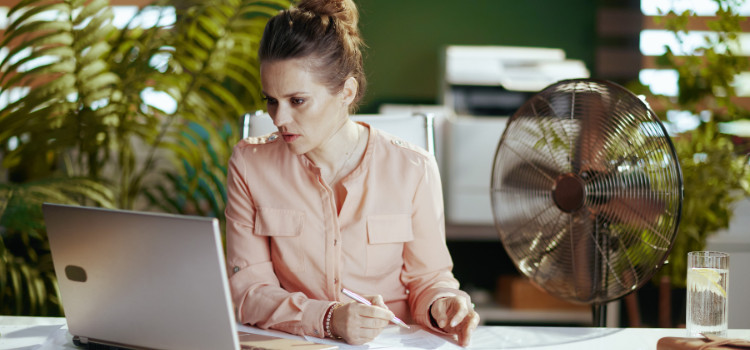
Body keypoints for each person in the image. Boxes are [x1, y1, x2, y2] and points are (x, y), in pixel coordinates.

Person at [224, 0, 480, 346]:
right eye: (271, 100)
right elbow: (249, 291)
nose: (279, 118)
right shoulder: (249, 164)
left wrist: (444, 304)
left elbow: (429, 279)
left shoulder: (413, 169)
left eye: (297, 101)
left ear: (347, 92)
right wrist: (329, 319)